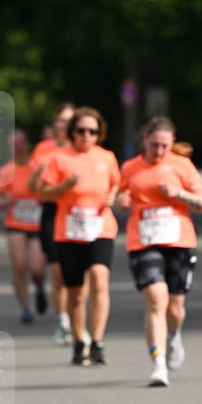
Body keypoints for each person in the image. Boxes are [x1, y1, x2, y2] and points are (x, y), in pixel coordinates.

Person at [118, 116, 202, 387]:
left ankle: (174, 335)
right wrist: (120, 200)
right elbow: (119, 197)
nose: (159, 151)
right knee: (156, 300)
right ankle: (158, 364)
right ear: (145, 140)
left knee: (175, 306)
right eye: (154, 145)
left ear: (172, 143)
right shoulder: (130, 168)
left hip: (179, 241)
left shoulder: (182, 165)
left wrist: (178, 193)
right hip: (143, 240)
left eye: (165, 146)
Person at [37, 107, 119, 365]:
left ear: (99, 133)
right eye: (81, 130)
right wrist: (65, 186)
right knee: (76, 293)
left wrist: (113, 196)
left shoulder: (106, 157)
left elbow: (116, 183)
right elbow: (42, 193)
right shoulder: (59, 158)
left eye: (93, 131)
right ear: (72, 132)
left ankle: (97, 342)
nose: (87, 136)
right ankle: (79, 341)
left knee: (99, 278)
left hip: (101, 227)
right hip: (69, 230)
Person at [29, 103, 76, 346]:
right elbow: (32, 188)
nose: (65, 125)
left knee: (77, 274)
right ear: (55, 123)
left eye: (69, 120)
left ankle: (77, 317)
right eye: (61, 120)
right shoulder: (43, 149)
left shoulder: (81, 148)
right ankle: (63, 321)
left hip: (78, 213)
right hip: (52, 211)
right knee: (58, 272)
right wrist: (39, 174)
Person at [0, 130, 46, 323]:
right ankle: (26, 307)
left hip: (37, 223)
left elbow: (48, 192)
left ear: (27, 144)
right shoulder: (7, 171)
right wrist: (6, 201)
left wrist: (42, 199)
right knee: (19, 266)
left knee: (37, 267)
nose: (18, 147)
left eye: (21, 143)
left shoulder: (37, 167)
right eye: (14, 144)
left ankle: (39, 287)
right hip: (15, 223)